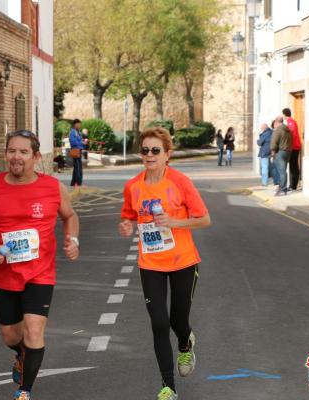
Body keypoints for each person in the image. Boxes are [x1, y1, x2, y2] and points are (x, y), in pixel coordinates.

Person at [0, 130, 80, 400]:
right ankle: (21, 354)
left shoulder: (52, 188)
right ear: (6, 154)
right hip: (5, 273)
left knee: (34, 329)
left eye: (23, 152)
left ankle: (24, 391)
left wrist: (72, 239)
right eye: (11, 151)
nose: (16, 157)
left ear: (35, 156)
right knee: (10, 336)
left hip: (40, 272)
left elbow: (70, 215)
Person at [118, 127, 211, 400]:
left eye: (155, 150)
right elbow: (127, 215)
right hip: (151, 264)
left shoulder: (180, 182)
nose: (149, 155)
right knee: (158, 323)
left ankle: (185, 342)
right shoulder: (133, 186)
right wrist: (125, 225)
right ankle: (168, 387)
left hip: (183, 262)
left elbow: (204, 219)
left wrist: (175, 222)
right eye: (145, 150)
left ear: (167, 154)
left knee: (177, 320)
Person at [270, 117, 292, 196]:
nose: (274, 126)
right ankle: (282, 188)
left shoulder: (278, 130)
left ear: (276, 123)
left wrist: (273, 152)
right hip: (288, 152)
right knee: (283, 170)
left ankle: (282, 189)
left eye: (274, 124)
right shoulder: (288, 130)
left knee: (281, 172)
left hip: (280, 152)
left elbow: (273, 143)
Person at [283, 108, 302, 191]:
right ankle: (292, 185)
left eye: (283, 114)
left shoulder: (291, 122)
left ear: (285, 114)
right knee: (292, 166)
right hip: (293, 146)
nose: (282, 116)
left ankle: (294, 185)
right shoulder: (289, 122)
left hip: (294, 147)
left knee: (294, 166)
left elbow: (292, 135)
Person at [69, 119, 84, 187]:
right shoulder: (72, 132)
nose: (79, 125)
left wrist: (83, 143)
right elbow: (72, 142)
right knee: (78, 167)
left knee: (77, 167)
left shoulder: (78, 132)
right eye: (78, 124)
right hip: (75, 151)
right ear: (75, 124)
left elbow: (79, 141)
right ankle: (78, 183)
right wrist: (81, 142)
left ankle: (74, 182)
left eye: (80, 124)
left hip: (79, 151)